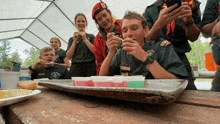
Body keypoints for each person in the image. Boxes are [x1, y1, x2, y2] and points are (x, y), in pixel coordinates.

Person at [99, 11, 189, 80]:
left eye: (134, 28)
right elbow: (102, 77)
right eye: (125, 30)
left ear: (145, 31)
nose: (129, 34)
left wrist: (145, 57)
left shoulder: (162, 47)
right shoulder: (122, 52)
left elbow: (177, 80)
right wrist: (111, 52)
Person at [142, 0, 201, 89]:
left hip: (180, 58)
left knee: (188, 91)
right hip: (156, 58)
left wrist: (189, 22)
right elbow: (145, 41)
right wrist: (158, 24)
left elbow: (194, 38)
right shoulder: (151, 10)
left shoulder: (189, 5)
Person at [92, 1, 123, 75]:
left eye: (105, 15)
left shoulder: (122, 24)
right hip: (112, 73)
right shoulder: (97, 40)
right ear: (97, 23)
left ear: (109, 13)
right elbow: (100, 63)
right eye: (99, 19)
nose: (104, 20)